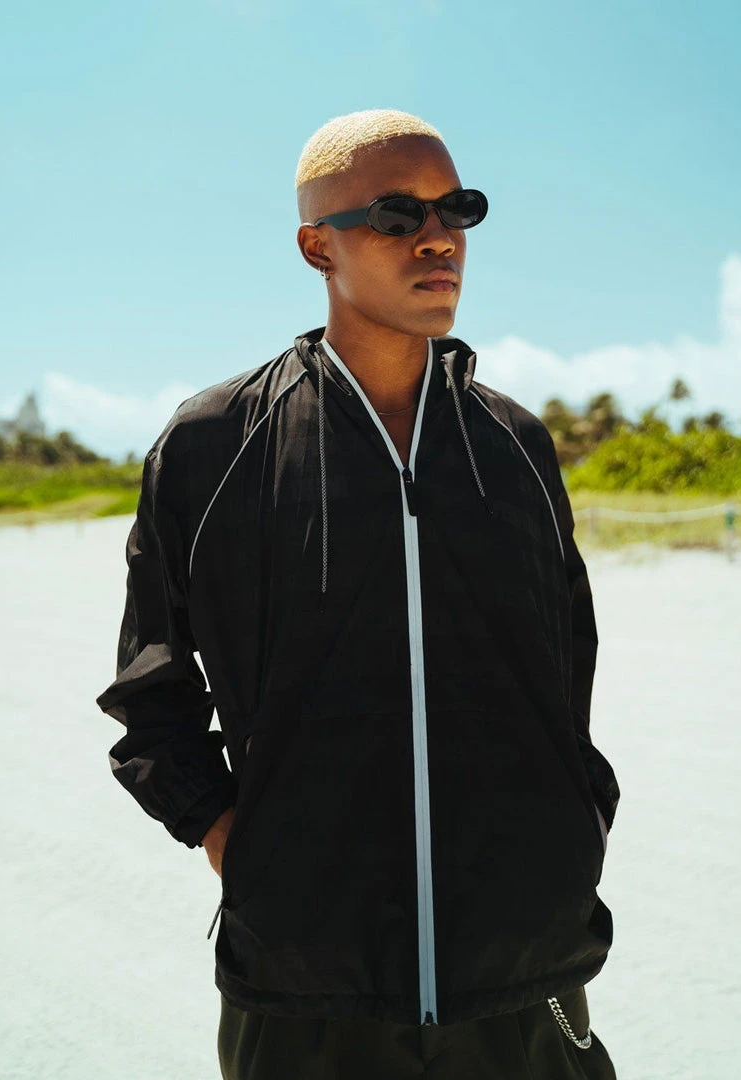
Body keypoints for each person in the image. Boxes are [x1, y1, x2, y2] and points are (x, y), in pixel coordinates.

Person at [97, 108, 621, 1079]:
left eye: (458, 209)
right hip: (304, 989)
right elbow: (150, 689)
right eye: (396, 215)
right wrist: (236, 843)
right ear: (317, 247)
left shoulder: (514, 444)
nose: (438, 238)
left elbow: (568, 669)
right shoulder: (214, 444)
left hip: (524, 968)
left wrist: (576, 826)